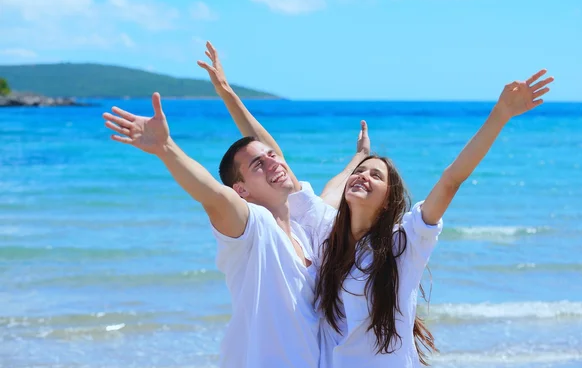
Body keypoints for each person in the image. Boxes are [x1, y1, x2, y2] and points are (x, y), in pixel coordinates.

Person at [101, 42, 369, 368]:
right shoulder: (252, 227)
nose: (273, 163)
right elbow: (213, 195)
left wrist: (359, 158)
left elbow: (329, 190)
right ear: (241, 189)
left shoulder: (305, 234)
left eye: (273, 157)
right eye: (258, 165)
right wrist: (166, 148)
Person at [285, 69, 554, 367]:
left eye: (375, 175)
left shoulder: (404, 242)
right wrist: (359, 157)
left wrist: (500, 114)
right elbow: (308, 187)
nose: (362, 176)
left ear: (388, 201)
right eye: (359, 172)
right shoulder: (329, 236)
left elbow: (451, 180)